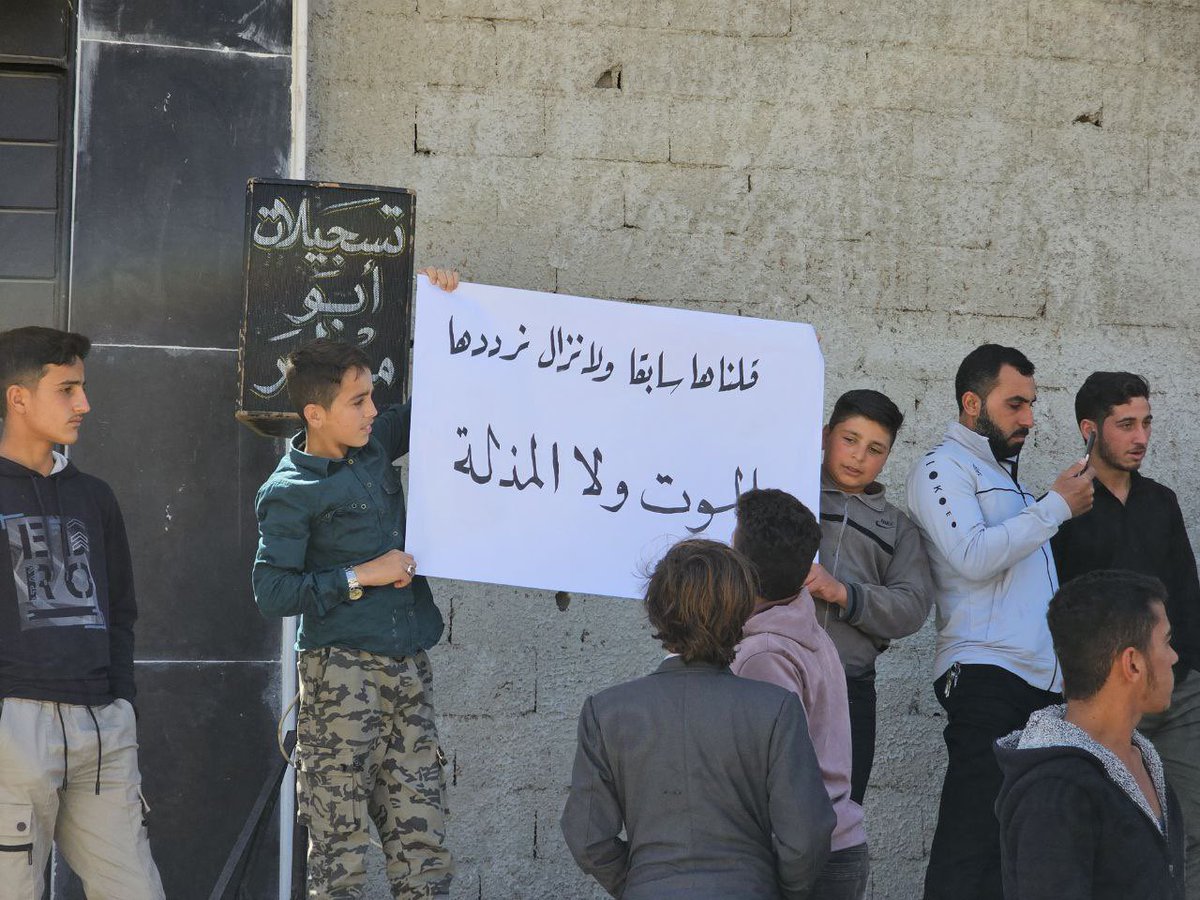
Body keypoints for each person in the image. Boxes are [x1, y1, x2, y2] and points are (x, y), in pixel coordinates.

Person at [253, 269, 459, 900]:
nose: (374, 411)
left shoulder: (373, 446)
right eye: (359, 401)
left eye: (373, 397)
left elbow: (448, 402)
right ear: (316, 413)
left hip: (407, 666)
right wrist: (360, 576)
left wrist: (453, 309)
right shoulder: (289, 492)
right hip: (339, 673)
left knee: (423, 841)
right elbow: (273, 593)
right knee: (339, 850)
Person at [906, 343, 1094, 900]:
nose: (1029, 419)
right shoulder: (939, 468)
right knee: (970, 843)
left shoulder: (1007, 480)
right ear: (972, 403)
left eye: (1032, 404)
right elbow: (972, 554)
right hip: (984, 677)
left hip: (1037, 687)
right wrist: (1055, 506)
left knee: (1016, 851)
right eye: (1015, 404)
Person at [560, 538, 834, 899]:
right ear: (742, 614)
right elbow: (805, 835)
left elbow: (586, 836)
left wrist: (643, 884)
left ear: (657, 611)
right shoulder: (775, 708)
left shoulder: (608, 711)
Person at [0, 326, 164, 899]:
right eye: (67, 389)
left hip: (102, 726)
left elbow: (121, 609)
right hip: (15, 727)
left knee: (135, 890)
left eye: (83, 388)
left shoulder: (95, 496)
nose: (84, 404)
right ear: (18, 398)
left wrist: (121, 703)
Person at [1051, 371, 1200, 896]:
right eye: (1126, 425)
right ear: (1089, 430)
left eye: (1146, 423)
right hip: (1103, 703)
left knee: (1190, 829)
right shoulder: (1062, 509)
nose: (1141, 437)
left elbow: (1188, 592)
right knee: (1106, 830)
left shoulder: (1161, 500)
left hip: (1176, 695)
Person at [995, 570, 1185, 899]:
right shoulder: (1053, 794)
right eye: (1166, 641)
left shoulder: (1142, 760)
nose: (1174, 656)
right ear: (1133, 664)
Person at [732, 488, 869, 900]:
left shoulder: (765, 654)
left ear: (740, 565)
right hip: (830, 845)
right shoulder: (804, 630)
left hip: (804, 856)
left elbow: (774, 772)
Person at [806, 389, 933, 803]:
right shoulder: (790, 492)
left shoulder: (897, 528)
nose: (859, 456)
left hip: (849, 687)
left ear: (888, 456)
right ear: (824, 436)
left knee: (837, 814)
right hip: (772, 676)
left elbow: (912, 607)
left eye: (875, 448)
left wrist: (844, 593)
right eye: (849, 439)